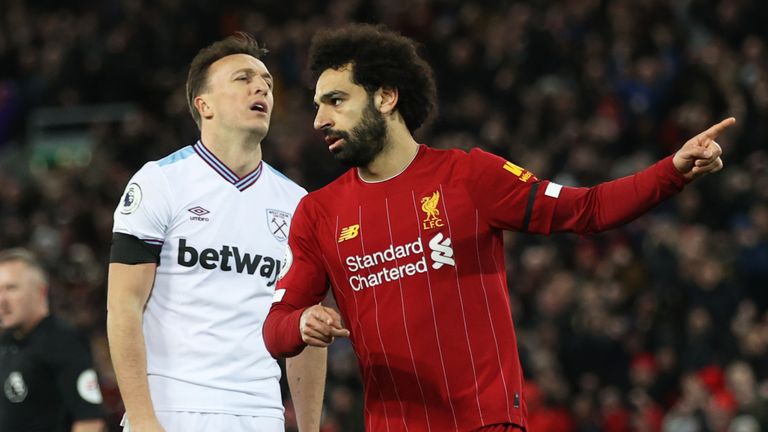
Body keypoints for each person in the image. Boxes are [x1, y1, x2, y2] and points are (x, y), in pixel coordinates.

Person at [263, 24, 735, 431]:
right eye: (318, 105)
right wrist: (302, 321)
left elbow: (585, 209)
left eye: (336, 101)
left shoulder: (469, 176)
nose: (319, 120)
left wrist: (672, 170)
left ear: (386, 97)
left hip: (485, 422)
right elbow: (275, 325)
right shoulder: (319, 212)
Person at [107, 33, 326, 432]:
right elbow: (123, 307)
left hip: (261, 413)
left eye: (267, 82)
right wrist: (141, 419)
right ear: (203, 104)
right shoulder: (160, 182)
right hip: (172, 410)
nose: (261, 87)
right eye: (243, 78)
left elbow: (303, 326)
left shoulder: (299, 204)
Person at [0, 248, 106, 432]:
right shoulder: (6, 343)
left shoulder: (64, 342)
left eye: (11, 288)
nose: (2, 299)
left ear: (40, 291)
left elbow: (89, 422)